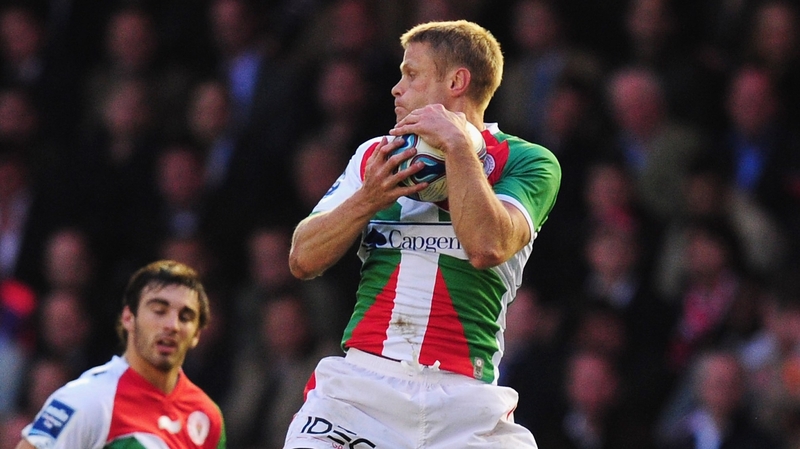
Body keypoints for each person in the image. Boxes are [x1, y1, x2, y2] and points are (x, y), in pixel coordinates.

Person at [285, 20, 561, 448]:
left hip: (467, 404)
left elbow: (488, 246)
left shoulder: (529, 161)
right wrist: (370, 198)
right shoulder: (374, 157)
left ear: (456, 81)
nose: (396, 88)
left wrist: (457, 146)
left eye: (410, 74)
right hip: (362, 390)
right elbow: (302, 258)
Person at [14, 259, 226, 448]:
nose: (172, 325)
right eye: (159, 311)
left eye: (185, 317)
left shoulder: (208, 416)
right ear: (128, 318)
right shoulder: (87, 399)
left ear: (197, 333)